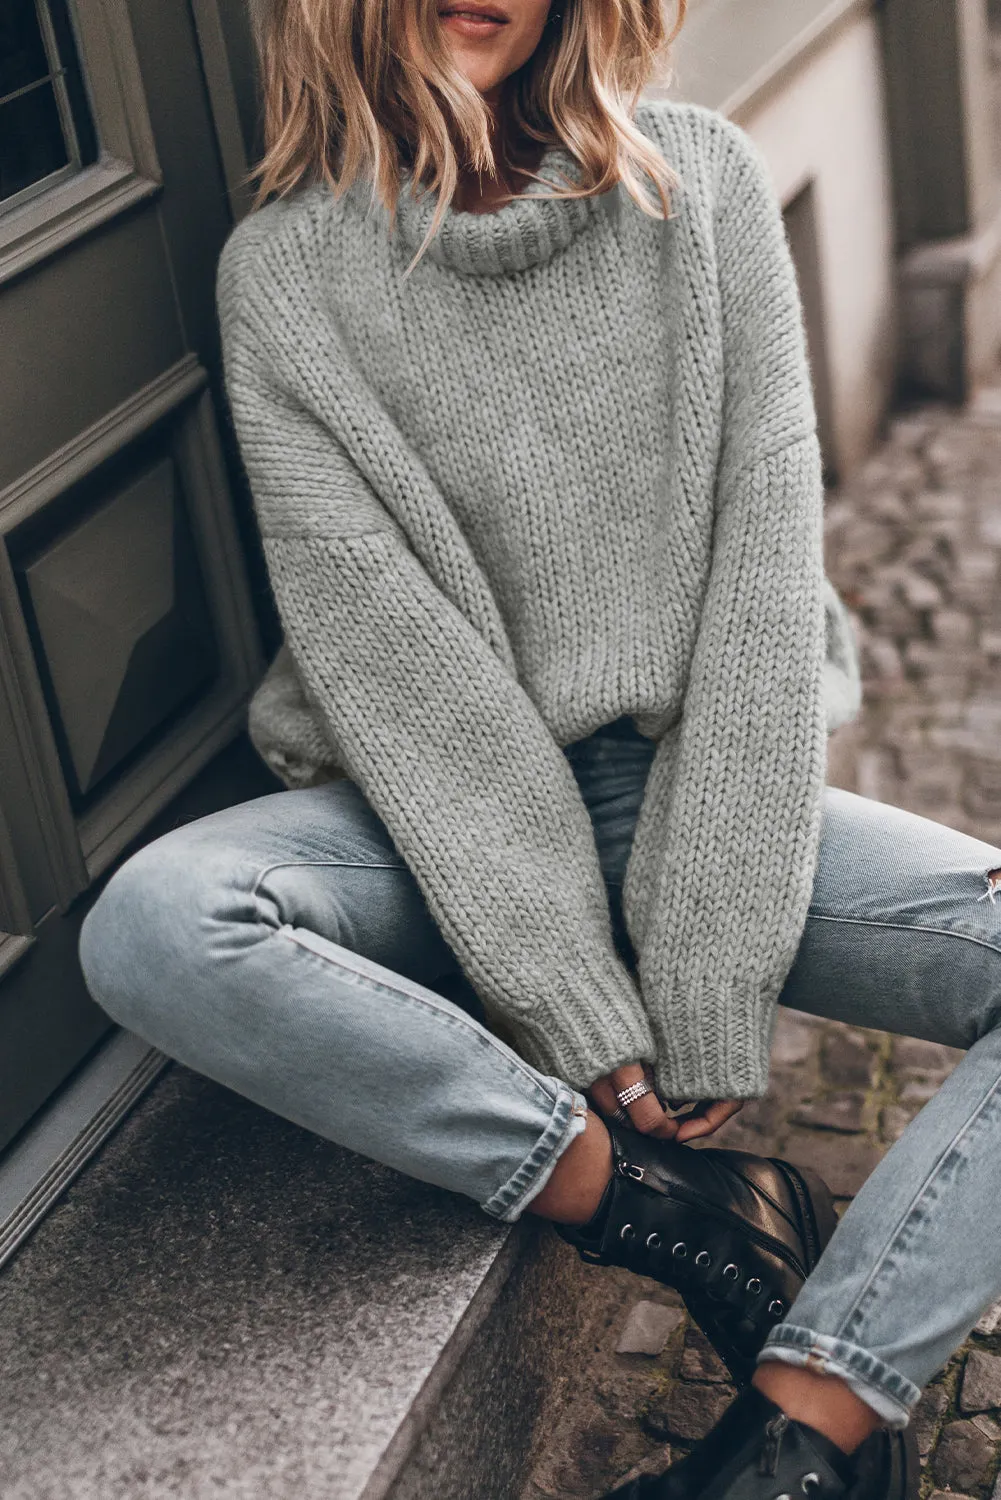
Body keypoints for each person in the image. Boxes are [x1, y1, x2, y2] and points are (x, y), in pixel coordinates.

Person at [76, 3, 1001, 1498]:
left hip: (691, 787)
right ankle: (682, 1210)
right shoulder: (290, 275)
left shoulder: (699, 189)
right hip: (421, 820)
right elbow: (398, 665)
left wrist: (707, 957)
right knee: (157, 924)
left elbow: (761, 593)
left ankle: (804, 1435)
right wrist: (564, 985)